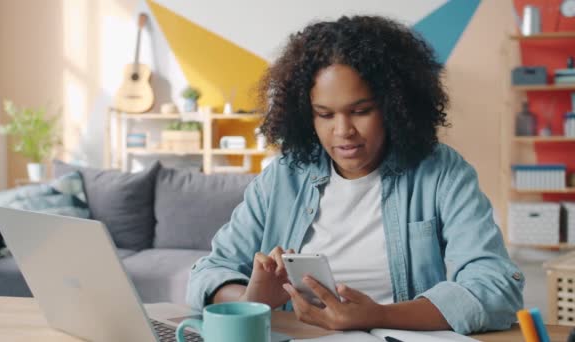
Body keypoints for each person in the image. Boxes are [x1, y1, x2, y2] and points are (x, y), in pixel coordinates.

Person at [186, 15, 523, 334]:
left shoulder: (440, 172)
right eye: (324, 114)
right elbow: (209, 272)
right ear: (307, 115)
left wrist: (380, 315)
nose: (343, 130)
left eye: (361, 111)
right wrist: (251, 302)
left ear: (394, 106)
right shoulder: (283, 178)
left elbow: (495, 287)